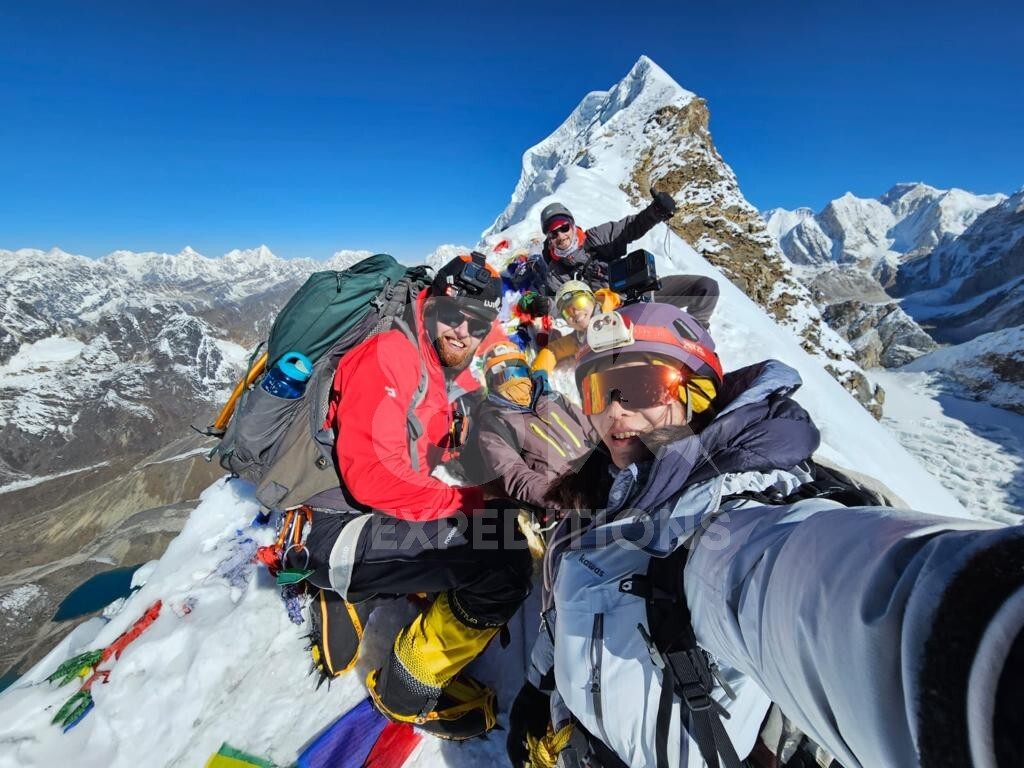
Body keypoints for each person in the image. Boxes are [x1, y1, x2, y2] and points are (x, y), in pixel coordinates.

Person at [507, 301, 1024, 768]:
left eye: (641, 387)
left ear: (698, 392)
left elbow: (825, 590)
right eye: (600, 390)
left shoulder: (721, 528)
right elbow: (567, 607)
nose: (614, 411)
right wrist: (541, 687)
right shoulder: (609, 487)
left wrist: (986, 638)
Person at [292, 252, 533, 741]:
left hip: (353, 514)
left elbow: (467, 384)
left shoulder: (431, 352)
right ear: (430, 305)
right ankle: (407, 690)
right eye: (452, 314)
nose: (461, 330)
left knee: (489, 522)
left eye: (477, 322)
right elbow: (375, 476)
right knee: (503, 555)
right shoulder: (391, 355)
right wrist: (470, 506)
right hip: (336, 526)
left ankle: (360, 587)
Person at [530, 192, 720, 326]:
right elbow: (562, 305)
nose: (560, 236)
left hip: (641, 293)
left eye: (563, 228)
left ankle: (697, 337)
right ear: (549, 239)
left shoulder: (596, 237)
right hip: (610, 320)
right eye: (553, 233)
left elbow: (630, 227)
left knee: (706, 288)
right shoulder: (556, 273)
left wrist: (655, 213)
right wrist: (546, 306)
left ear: (572, 225)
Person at [461, 341, 597, 512]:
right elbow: (516, 476)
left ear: (528, 372)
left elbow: (594, 429)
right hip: (568, 498)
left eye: (518, 371)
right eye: (502, 376)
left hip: (601, 474)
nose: (513, 380)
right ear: (491, 384)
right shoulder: (494, 427)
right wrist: (563, 499)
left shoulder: (554, 399)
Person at [530, 280, 619, 375]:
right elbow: (552, 351)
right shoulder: (578, 339)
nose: (576, 313)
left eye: (579, 303)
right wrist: (538, 377)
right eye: (568, 312)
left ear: (592, 300)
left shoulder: (616, 309)